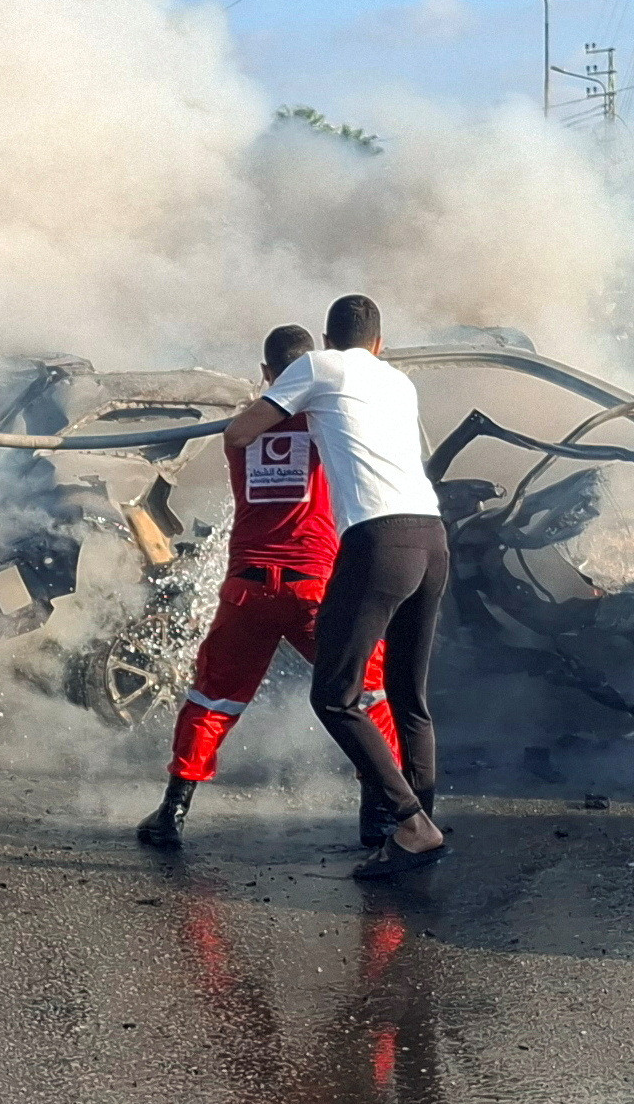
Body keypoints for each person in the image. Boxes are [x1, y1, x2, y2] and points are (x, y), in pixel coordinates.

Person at [141, 325, 404, 848]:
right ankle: (381, 816)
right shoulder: (329, 420)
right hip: (316, 589)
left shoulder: (240, 430)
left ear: (266, 374)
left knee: (212, 695)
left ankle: (173, 810)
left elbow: (257, 422)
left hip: (247, 589)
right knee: (369, 692)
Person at [225, 294, 450, 880]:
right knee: (408, 695)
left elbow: (241, 432)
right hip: (432, 538)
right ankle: (420, 823)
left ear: (327, 340)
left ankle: (410, 824)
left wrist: (282, 405)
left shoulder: (318, 368)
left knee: (334, 694)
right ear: (380, 343)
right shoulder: (400, 382)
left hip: (378, 543)